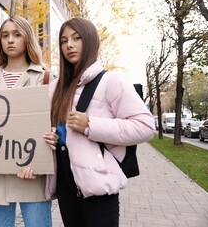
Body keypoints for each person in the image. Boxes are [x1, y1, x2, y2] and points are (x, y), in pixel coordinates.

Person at [49, 17, 155, 226]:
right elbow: (53, 128)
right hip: (64, 182)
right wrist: (51, 135)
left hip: (98, 183)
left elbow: (145, 126)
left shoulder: (111, 81)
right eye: (63, 40)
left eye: (76, 38)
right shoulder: (55, 87)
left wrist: (90, 125)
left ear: (90, 41)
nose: (69, 45)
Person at [0, 15, 58, 227]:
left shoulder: (45, 77)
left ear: (28, 39)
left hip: (32, 173)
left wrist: (53, 136)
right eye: (5, 36)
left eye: (16, 35)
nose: (10, 40)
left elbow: (56, 120)